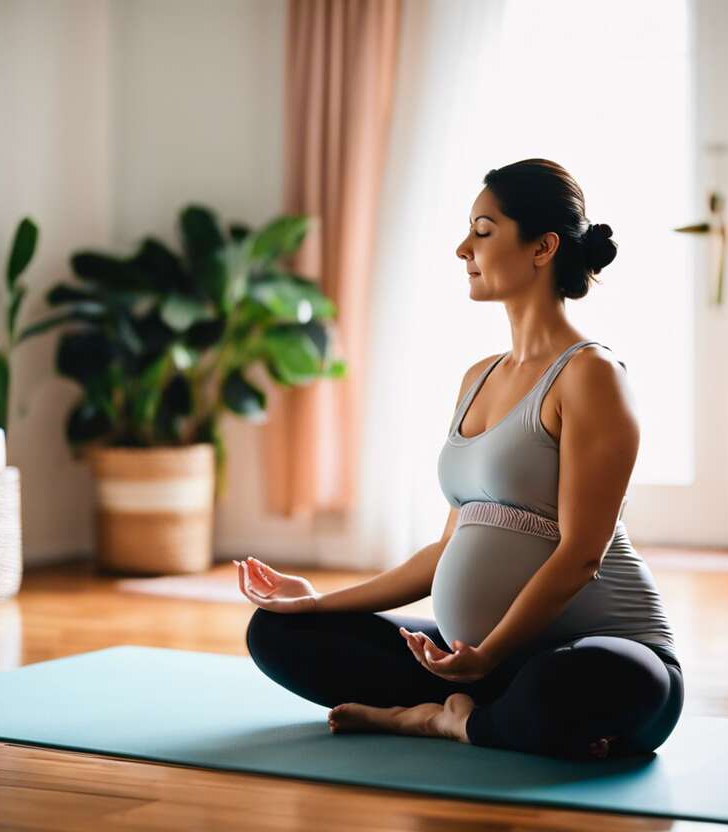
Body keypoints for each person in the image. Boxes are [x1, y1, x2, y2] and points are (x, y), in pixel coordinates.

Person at [236, 158, 683, 761]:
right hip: (477, 662)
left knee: (604, 681)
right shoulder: (479, 377)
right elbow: (445, 551)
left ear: (542, 247)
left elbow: (581, 554)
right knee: (278, 631)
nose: (461, 248)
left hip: (593, 654)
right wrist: (315, 602)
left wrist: (492, 651)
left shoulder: (591, 375)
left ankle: (438, 723)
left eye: (483, 230)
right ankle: (485, 714)